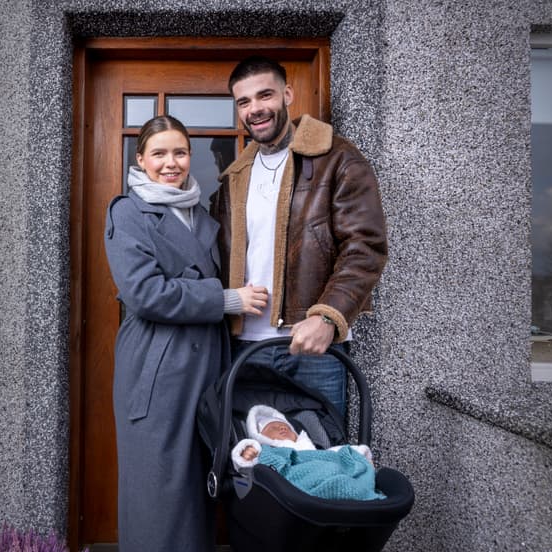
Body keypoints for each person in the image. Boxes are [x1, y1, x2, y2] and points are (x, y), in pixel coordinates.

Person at [104, 115, 268, 552]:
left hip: (206, 366)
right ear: (141, 159)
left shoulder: (201, 212)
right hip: (157, 365)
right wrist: (226, 299)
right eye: (159, 153)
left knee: (199, 485)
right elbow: (145, 293)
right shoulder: (128, 212)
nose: (170, 163)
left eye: (179, 152)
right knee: (159, 488)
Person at [213, 56, 389, 417]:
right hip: (244, 348)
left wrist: (328, 318)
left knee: (321, 449)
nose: (255, 109)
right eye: (244, 102)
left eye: (265, 95)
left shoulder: (337, 158)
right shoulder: (233, 178)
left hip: (314, 348)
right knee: (251, 451)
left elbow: (365, 247)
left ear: (288, 94)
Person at [230, 405, 383, 501]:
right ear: (261, 437)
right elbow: (248, 470)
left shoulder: (311, 448)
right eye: (273, 428)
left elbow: (335, 453)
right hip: (292, 485)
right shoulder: (266, 452)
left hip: (322, 466)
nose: (281, 428)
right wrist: (248, 456)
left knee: (337, 467)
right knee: (336, 476)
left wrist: (360, 456)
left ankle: (353, 489)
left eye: (285, 426)